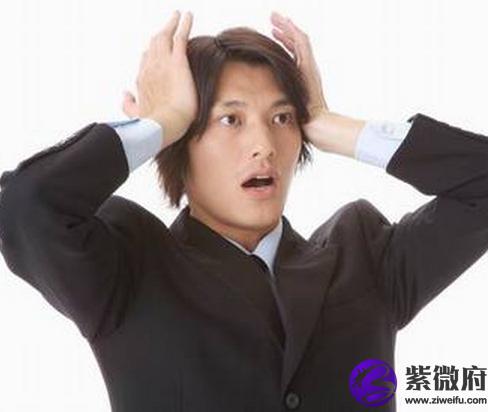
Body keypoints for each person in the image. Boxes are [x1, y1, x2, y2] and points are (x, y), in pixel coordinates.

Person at [0, 9, 486, 412]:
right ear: (183, 141)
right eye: (230, 119)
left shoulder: (366, 257)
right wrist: (163, 121)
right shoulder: (128, 266)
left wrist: (327, 122)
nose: (264, 145)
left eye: (282, 118)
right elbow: (25, 206)